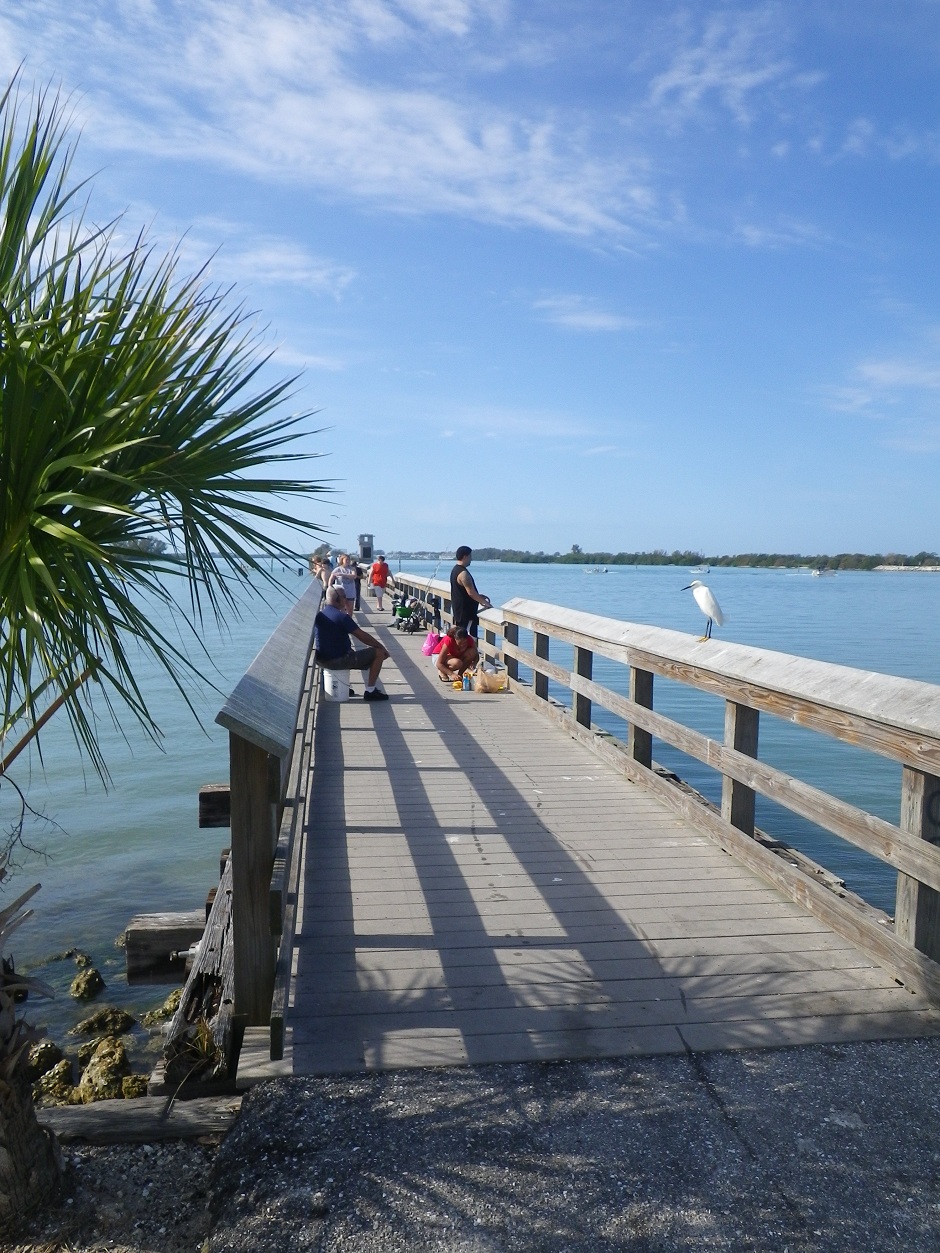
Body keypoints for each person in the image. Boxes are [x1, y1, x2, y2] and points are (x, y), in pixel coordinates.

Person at [314, 586, 390, 700]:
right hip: (337, 661)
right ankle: (370, 691)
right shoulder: (342, 617)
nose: (346, 600)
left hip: (321, 661)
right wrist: (382, 647)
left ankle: (342, 687)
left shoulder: (320, 615)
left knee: (350, 652)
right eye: (345, 597)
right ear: (338, 599)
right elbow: (363, 637)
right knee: (378, 653)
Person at [450, 546, 491, 639]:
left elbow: (463, 591)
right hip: (466, 614)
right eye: (470, 556)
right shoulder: (463, 574)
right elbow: (471, 593)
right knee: (468, 640)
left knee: (460, 639)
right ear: (465, 556)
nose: (471, 559)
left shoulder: (455, 570)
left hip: (459, 612)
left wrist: (479, 596)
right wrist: (485, 603)